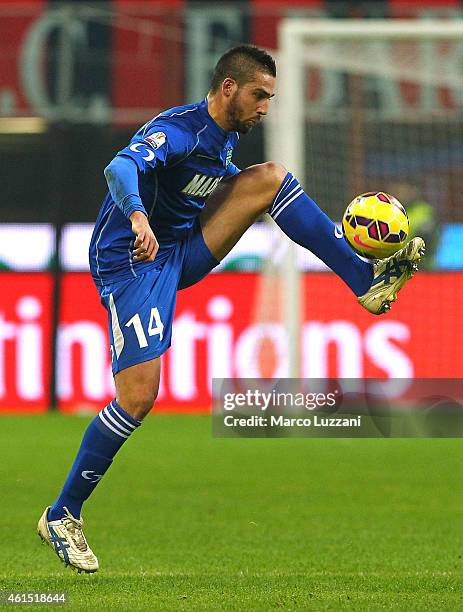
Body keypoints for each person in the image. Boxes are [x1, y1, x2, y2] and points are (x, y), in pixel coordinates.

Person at [37, 45, 425, 573]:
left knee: (269, 178)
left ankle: (364, 279)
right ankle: (63, 513)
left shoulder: (223, 141)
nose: (266, 106)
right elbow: (120, 167)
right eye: (259, 95)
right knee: (138, 396)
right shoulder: (179, 131)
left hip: (180, 252)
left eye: (270, 97)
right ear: (228, 89)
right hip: (133, 260)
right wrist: (136, 217)